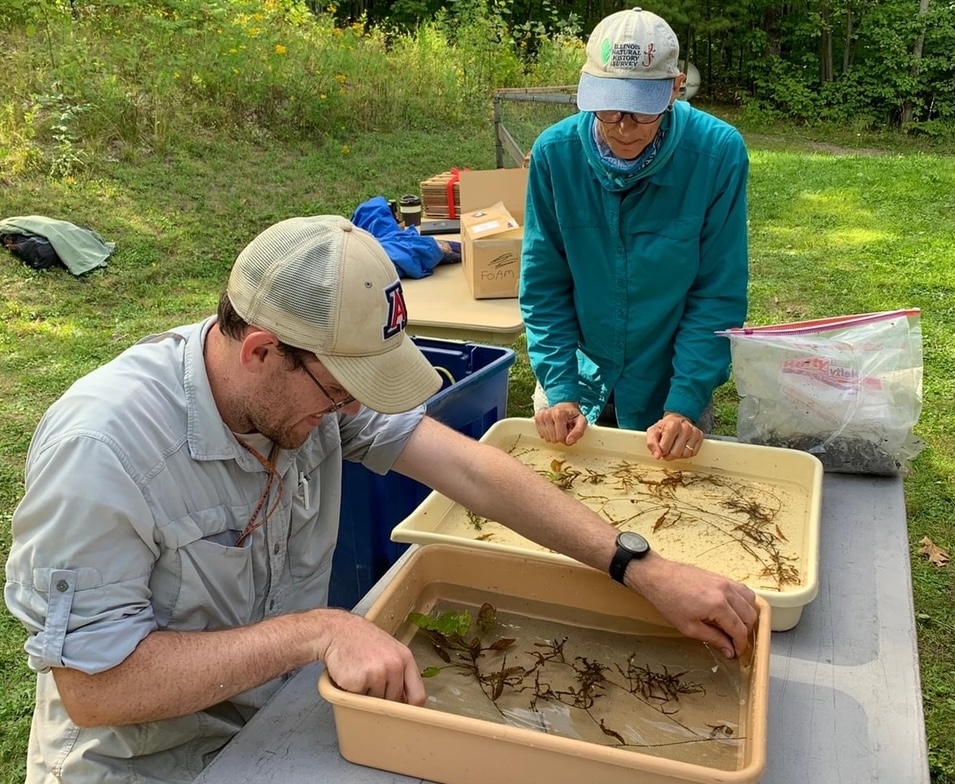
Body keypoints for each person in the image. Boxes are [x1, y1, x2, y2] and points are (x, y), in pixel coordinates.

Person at [4, 215, 757, 783]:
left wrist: (638, 565)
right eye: (338, 393)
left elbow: (475, 473)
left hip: (280, 720)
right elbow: (97, 688)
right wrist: (315, 633)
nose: (347, 413)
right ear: (262, 349)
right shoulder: (103, 450)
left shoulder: (300, 386)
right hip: (145, 765)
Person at [520, 7, 750, 461]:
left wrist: (684, 403)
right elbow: (544, 285)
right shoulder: (554, 154)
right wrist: (561, 388)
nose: (624, 127)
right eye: (609, 108)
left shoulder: (718, 153)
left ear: (675, 89)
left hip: (668, 384)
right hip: (578, 376)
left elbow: (717, 294)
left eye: (642, 112)